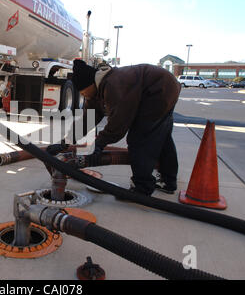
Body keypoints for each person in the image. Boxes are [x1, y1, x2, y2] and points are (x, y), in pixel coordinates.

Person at [47, 60, 181, 197]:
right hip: (166, 85)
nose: (83, 95)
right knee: (162, 137)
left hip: (158, 89)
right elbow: (87, 121)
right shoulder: (96, 91)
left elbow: (118, 125)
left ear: (90, 84)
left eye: (83, 91)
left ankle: (142, 188)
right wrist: (65, 142)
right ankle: (168, 181)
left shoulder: (113, 85)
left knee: (140, 139)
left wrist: (98, 144)